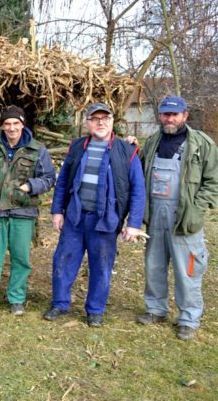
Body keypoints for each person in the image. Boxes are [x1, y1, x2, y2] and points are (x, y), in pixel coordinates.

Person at [44, 103, 145, 327]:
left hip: (105, 220)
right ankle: (60, 304)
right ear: (87, 122)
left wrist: (134, 223)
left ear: (112, 121)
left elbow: (138, 189)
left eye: (105, 118)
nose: (100, 122)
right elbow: (62, 182)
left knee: (101, 266)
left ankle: (95, 310)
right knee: (63, 260)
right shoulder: (77, 147)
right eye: (95, 118)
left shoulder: (127, 151)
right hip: (75, 218)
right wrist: (57, 211)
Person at [135, 96, 218, 340]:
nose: (170, 119)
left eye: (175, 114)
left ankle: (189, 318)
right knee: (154, 265)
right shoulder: (151, 142)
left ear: (185, 115)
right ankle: (156, 309)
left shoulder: (201, 145)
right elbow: (138, 174)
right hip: (156, 214)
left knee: (188, 270)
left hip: (184, 218)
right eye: (165, 114)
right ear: (159, 116)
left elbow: (213, 182)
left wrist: (196, 208)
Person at [0, 106, 56, 316]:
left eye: (15, 124)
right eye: (7, 124)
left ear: (22, 125)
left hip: (23, 211)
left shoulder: (37, 150)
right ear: (2, 126)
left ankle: (16, 298)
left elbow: (49, 178)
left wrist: (31, 186)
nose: (11, 128)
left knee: (21, 258)